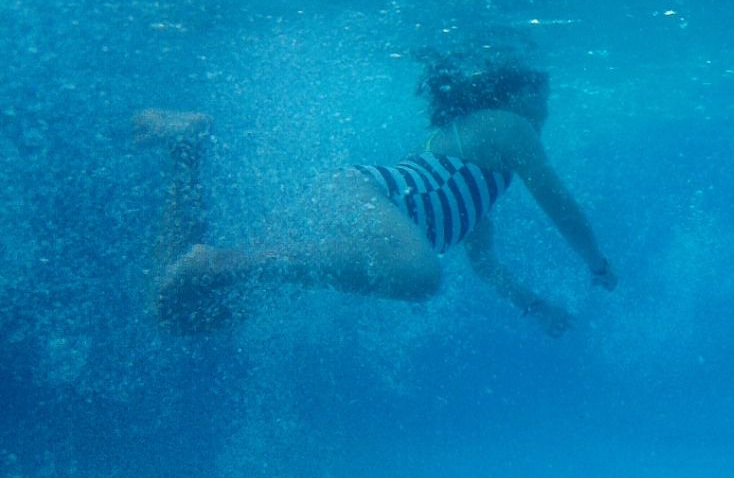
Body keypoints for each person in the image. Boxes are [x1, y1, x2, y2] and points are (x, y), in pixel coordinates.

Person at [134, 49, 616, 336]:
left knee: (185, 313)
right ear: (510, 97)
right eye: (540, 100)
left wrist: (536, 307)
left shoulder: (476, 191)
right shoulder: (508, 126)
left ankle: (186, 149)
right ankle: (224, 260)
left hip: (349, 203)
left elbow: (485, 265)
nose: (545, 114)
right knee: (421, 275)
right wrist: (596, 262)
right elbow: (560, 205)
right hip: (360, 194)